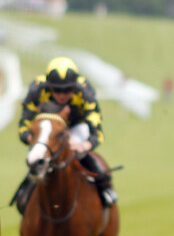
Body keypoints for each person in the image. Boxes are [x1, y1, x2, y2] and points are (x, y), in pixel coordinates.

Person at [14, 57, 117, 212]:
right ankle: (24, 193)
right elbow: (24, 124)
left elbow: (97, 130)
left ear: (74, 86)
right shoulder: (37, 89)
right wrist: (31, 139)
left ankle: (104, 185)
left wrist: (84, 145)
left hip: (76, 128)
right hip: (48, 131)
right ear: (48, 86)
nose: (62, 95)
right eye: (57, 90)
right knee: (38, 157)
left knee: (79, 152)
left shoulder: (84, 90)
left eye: (68, 90)